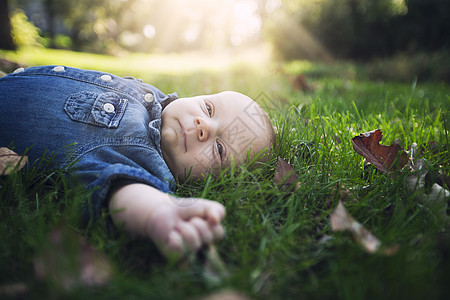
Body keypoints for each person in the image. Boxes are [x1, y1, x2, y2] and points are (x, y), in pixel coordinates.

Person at [0, 65, 276, 259]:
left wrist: (161, 213)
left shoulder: (143, 164)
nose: (204, 125)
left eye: (218, 148)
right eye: (209, 108)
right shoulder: (152, 99)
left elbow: (128, 192)